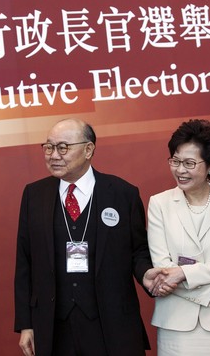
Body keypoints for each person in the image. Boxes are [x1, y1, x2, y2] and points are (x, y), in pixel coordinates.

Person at [14, 118, 171, 356]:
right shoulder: (34, 195)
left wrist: (146, 273)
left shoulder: (122, 194)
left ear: (88, 149)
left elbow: (138, 250)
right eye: (49, 147)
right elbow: (25, 263)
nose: (54, 155)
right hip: (54, 326)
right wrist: (26, 323)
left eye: (63, 147)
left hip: (111, 323)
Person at [147, 119, 210, 355]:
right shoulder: (159, 204)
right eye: (175, 161)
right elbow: (163, 271)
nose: (180, 170)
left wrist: (182, 272)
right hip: (176, 325)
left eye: (190, 163)